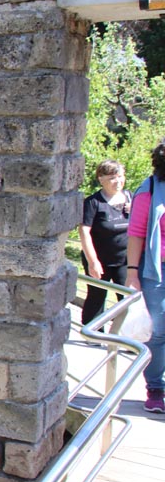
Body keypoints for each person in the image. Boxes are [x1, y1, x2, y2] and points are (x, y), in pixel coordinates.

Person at [125, 142, 165, 413]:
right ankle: (155, 387)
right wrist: (131, 273)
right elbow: (137, 232)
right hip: (156, 271)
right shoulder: (149, 190)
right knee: (159, 331)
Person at [79, 160, 131, 325]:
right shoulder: (93, 202)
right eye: (113, 178)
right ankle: (93, 333)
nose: (118, 181)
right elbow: (84, 232)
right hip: (100, 259)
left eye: (120, 176)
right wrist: (92, 262)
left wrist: (135, 210)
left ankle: (125, 336)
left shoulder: (131, 198)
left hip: (124, 260)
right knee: (97, 296)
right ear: (101, 179)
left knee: (128, 297)